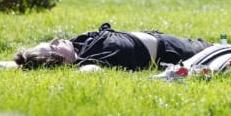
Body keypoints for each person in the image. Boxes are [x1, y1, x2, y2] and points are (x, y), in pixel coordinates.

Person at [13, 23, 212, 71]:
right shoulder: (87, 63)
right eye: (52, 47)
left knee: (215, 47)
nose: (56, 39)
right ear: (58, 61)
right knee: (219, 54)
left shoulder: (78, 45)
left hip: (165, 39)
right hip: (172, 52)